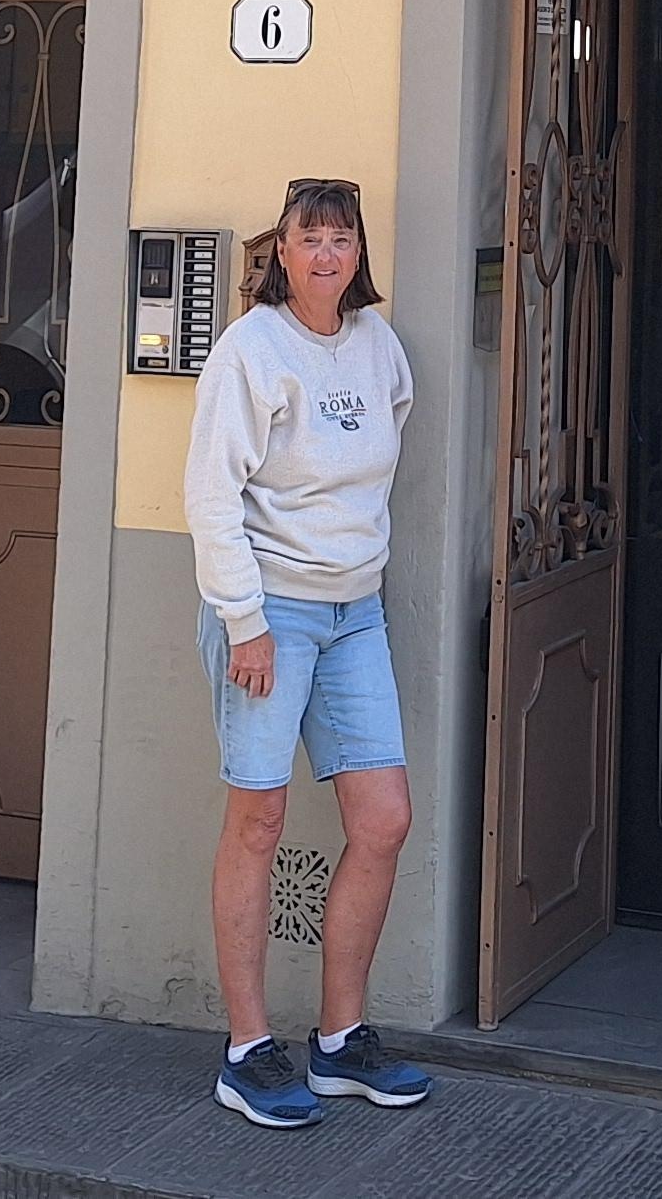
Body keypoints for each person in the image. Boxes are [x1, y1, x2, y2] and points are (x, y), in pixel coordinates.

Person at [181, 176, 433, 1128]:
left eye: (341, 238)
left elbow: (382, 456)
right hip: (270, 615)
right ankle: (247, 1050)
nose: (326, 253)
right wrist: (245, 620)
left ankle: (339, 1041)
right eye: (309, 237)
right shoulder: (250, 351)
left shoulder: (377, 346)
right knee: (259, 818)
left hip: (355, 614)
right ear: (280, 251)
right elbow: (212, 495)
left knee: (385, 818)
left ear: (359, 253)